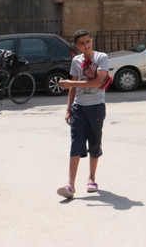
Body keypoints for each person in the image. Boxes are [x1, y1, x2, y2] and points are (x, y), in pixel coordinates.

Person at [57, 29, 110, 199]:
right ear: (77, 46)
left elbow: (97, 82)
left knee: (94, 142)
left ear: (92, 41)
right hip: (78, 108)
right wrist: (68, 108)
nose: (86, 45)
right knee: (76, 143)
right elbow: (73, 87)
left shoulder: (101, 58)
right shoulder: (76, 61)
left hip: (96, 107)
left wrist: (71, 83)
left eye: (88, 41)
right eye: (82, 43)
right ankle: (70, 185)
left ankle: (91, 179)